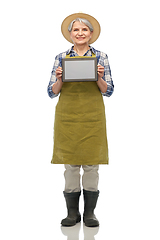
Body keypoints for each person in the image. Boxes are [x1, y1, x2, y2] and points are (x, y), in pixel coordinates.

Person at [47, 12, 114, 227]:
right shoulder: (61, 57)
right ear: (70, 34)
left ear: (91, 34)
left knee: (92, 166)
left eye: (84, 29)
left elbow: (109, 91)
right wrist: (59, 79)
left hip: (92, 117)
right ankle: (72, 213)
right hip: (67, 118)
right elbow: (52, 92)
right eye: (76, 29)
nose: (80, 33)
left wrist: (100, 77)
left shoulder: (101, 56)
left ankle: (90, 213)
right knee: (71, 166)